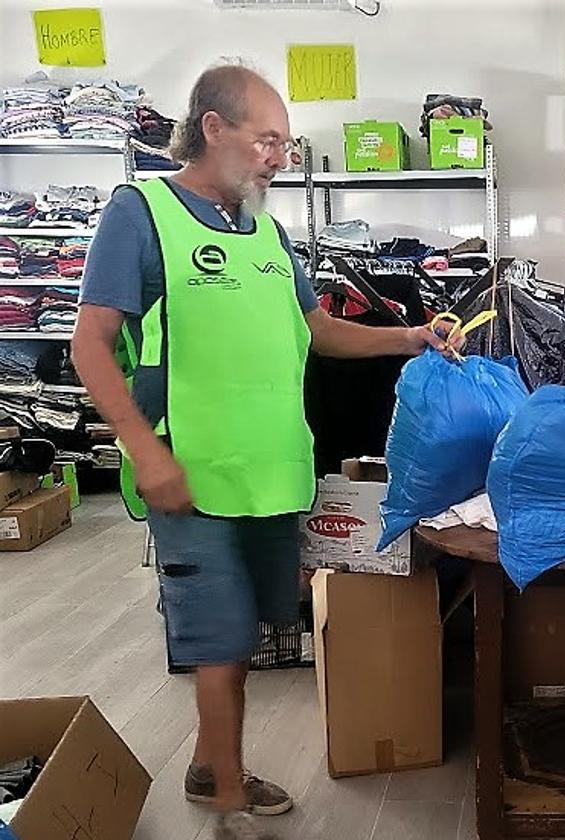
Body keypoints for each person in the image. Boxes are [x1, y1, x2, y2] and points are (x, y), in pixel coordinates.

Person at [72, 63, 455, 840]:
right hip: (192, 476)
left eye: (285, 142)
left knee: (243, 638)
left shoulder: (269, 233)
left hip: (271, 476)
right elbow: (90, 346)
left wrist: (409, 337)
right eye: (267, 139)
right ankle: (227, 808)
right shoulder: (140, 212)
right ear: (214, 129)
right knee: (217, 643)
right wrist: (145, 452)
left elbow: (315, 330)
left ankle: (214, 763)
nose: (280, 156)